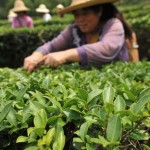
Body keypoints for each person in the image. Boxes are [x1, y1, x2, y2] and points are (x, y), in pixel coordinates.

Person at [24, 0, 134, 73]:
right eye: (77, 14)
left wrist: (66, 54)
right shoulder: (73, 30)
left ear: (99, 11)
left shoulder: (113, 24)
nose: (80, 19)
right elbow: (52, 46)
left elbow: (107, 48)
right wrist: (36, 55)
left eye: (85, 13)